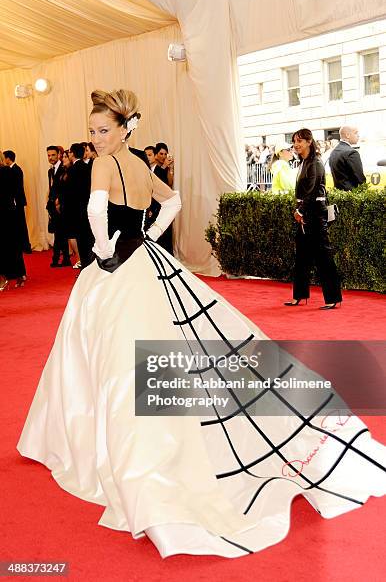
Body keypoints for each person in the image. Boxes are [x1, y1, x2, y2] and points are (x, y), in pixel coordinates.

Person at [17, 92, 386, 559]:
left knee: (110, 358)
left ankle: (117, 451)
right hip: (145, 260)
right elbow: (172, 202)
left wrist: (105, 249)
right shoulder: (137, 164)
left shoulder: (104, 165)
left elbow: (95, 211)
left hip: (114, 265)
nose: (95, 139)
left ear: (124, 128)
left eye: (103, 130)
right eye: (91, 132)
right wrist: (147, 235)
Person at [284, 129, 342, 310]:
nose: (296, 144)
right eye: (294, 141)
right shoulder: (303, 162)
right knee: (301, 257)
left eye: (300, 141)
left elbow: (312, 190)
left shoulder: (315, 163)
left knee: (323, 257)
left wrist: (300, 212)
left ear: (309, 141)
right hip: (307, 214)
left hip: (315, 215)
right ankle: (299, 295)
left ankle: (333, 298)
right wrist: (299, 211)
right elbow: (303, 193)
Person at [0, 151, 27, 289]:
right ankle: (19, 274)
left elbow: (14, 192)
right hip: (9, 212)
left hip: (5, 213)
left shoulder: (7, 172)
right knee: (12, 245)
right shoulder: (9, 171)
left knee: (6, 246)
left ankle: (5, 277)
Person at [46, 145, 71, 267]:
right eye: (49, 155)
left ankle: (58, 259)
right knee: (59, 233)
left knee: (61, 233)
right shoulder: (50, 171)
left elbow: (64, 188)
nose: (50, 157)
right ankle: (65, 259)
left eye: (53, 155)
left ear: (59, 155)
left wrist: (59, 201)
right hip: (53, 206)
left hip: (61, 205)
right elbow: (52, 188)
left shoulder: (64, 168)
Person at [3, 150, 32, 253]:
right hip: (15, 201)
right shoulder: (12, 169)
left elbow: (17, 187)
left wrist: (14, 200)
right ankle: (22, 245)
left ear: (7, 158)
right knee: (18, 224)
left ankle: (26, 246)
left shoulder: (16, 169)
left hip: (17, 201)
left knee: (21, 224)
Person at [328, 126, 366, 190]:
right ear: (348, 135)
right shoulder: (352, 152)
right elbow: (360, 179)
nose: (358, 135)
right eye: (356, 133)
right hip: (352, 195)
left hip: (338, 194)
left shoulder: (333, 151)